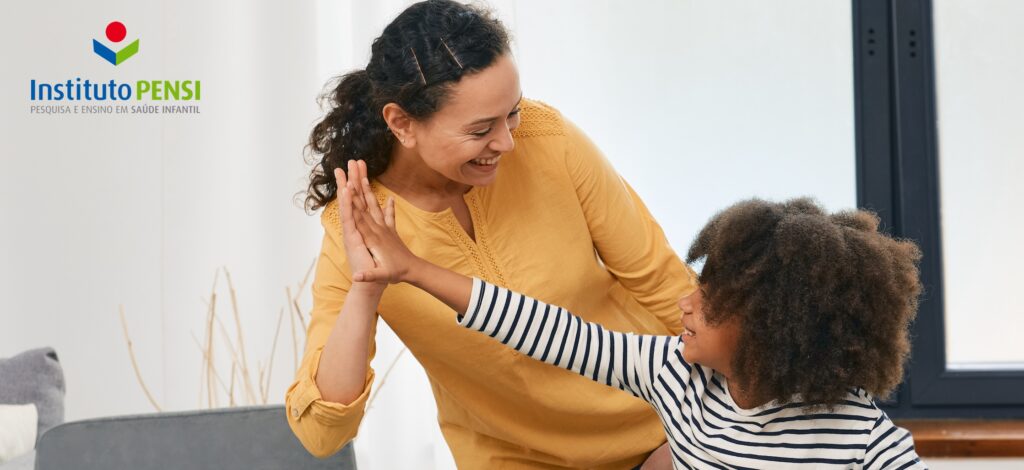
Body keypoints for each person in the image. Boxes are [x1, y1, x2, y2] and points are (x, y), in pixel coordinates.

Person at [286, 1, 696, 467]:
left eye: (512, 113)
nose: (507, 142)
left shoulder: (549, 141)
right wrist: (366, 290)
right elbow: (321, 432)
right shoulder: (360, 226)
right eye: (481, 129)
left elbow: (663, 282)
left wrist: (728, 420)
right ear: (401, 123)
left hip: (665, 430)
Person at [341, 180, 926, 469]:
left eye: (713, 298)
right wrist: (414, 269)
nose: (686, 304)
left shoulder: (854, 430)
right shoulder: (676, 375)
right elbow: (548, 330)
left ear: (776, 329)